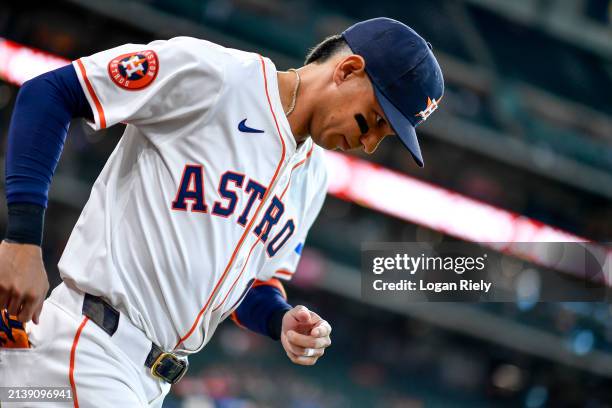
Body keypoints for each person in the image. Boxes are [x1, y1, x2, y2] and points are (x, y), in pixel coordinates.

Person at [0, 17, 443, 407]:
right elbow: (51, 93)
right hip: (86, 348)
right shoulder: (215, 77)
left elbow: (251, 287)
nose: (370, 143)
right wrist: (21, 239)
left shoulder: (313, 178)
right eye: (375, 119)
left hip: (146, 381)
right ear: (347, 70)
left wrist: (280, 318)